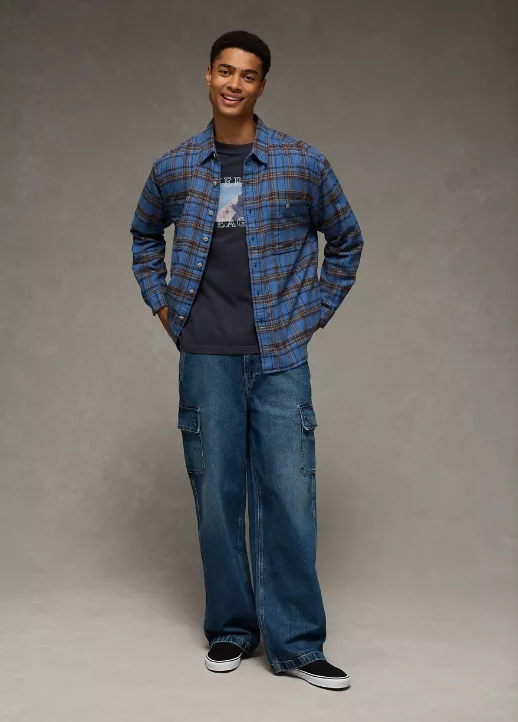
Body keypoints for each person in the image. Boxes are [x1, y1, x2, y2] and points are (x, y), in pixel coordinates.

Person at [129, 29, 364, 690]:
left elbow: (346, 240)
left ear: (262, 85)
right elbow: (144, 235)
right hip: (206, 356)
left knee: (289, 495)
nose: (234, 83)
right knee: (217, 495)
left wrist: (313, 311)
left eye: (248, 74)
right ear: (208, 76)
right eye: (225, 71)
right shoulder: (176, 167)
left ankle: (298, 645)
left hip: (280, 355)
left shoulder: (301, 163)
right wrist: (164, 307)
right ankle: (231, 629)